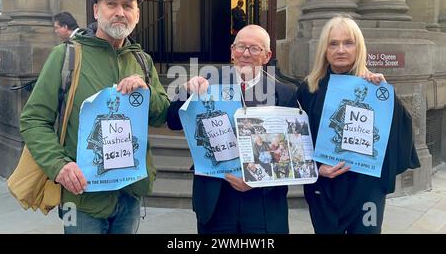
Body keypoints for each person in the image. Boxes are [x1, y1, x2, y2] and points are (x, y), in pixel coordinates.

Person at [19, 0, 170, 234]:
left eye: (127, 6)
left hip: (129, 195)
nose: (120, 12)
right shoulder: (66, 56)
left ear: (137, 14)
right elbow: (33, 119)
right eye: (111, 4)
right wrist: (59, 165)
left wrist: (147, 95)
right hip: (81, 199)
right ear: (96, 11)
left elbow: (160, 115)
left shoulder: (142, 61)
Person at [167, 24, 298, 234]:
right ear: (232, 51)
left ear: (267, 56)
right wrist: (185, 91)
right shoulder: (206, 84)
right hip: (217, 199)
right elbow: (173, 121)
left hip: (263, 203)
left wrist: (259, 180)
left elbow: (291, 152)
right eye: (240, 47)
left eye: (254, 48)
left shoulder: (285, 94)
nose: (246, 54)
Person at [296, 16, 421, 234]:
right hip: (325, 186)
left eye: (348, 43)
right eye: (333, 43)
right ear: (324, 49)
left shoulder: (374, 87)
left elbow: (400, 131)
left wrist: (385, 94)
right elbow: (297, 140)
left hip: (366, 187)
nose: (341, 50)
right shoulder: (308, 89)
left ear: (359, 47)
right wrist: (316, 169)